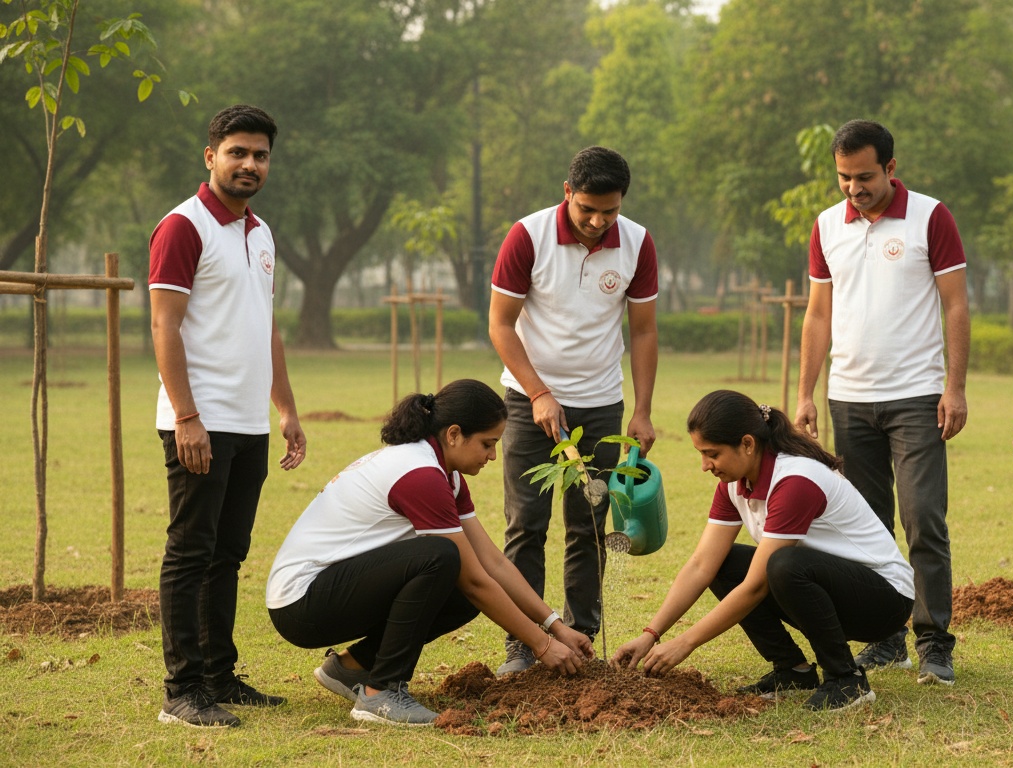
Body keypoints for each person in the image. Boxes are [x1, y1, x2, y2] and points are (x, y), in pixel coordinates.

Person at [266, 381, 595, 727]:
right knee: (442, 557)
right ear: (453, 434)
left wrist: (555, 626)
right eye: (487, 444)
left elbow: (492, 563)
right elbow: (473, 580)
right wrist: (541, 646)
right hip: (301, 603)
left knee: (463, 574)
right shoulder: (421, 474)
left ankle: (353, 667)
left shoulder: (445, 475)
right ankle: (381, 694)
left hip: (329, 590)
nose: (492, 456)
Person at [794, 119, 969, 685]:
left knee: (923, 518)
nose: (853, 188)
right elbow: (818, 314)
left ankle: (935, 639)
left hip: (917, 396)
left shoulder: (930, 216)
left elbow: (957, 307)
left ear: (891, 168)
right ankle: (885, 637)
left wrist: (956, 386)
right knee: (864, 526)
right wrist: (805, 393)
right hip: (848, 399)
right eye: (844, 178)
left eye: (864, 176)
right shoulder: (826, 225)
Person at [149, 104, 306, 729]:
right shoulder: (182, 227)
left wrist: (286, 408)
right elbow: (165, 325)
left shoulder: (260, 232)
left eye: (260, 155)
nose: (249, 164)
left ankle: (218, 675)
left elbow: (263, 327)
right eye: (237, 152)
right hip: (199, 420)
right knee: (191, 553)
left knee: (227, 554)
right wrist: (187, 416)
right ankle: (182, 691)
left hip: (249, 423)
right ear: (209, 155)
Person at [612, 390, 915, 712]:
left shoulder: (796, 481)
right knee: (726, 563)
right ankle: (792, 670)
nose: (704, 466)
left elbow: (756, 585)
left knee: (784, 564)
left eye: (711, 454)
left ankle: (846, 679)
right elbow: (702, 565)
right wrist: (651, 634)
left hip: (883, 601)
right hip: (830, 591)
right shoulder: (734, 484)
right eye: (701, 454)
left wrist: (684, 643)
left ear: (747, 443)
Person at [488, 146, 658, 674]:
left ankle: (582, 638)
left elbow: (645, 329)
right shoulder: (528, 235)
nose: (597, 220)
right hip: (527, 403)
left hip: (603, 407)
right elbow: (500, 324)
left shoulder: (637, 242)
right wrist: (538, 392)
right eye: (587, 208)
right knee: (526, 526)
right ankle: (524, 646)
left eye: (609, 210)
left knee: (590, 521)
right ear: (567, 193)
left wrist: (643, 410)